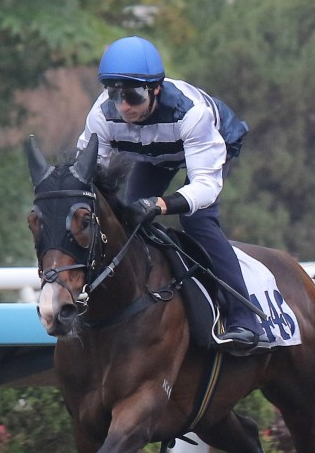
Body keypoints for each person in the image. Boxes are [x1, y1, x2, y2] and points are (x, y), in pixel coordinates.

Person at [77, 35, 257, 349]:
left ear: (155, 89)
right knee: (130, 220)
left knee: (197, 222)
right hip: (155, 154)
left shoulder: (193, 114)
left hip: (208, 146)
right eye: (114, 95)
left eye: (132, 96)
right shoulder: (101, 117)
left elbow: (205, 187)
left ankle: (244, 316)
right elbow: (85, 175)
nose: (123, 107)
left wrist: (160, 204)